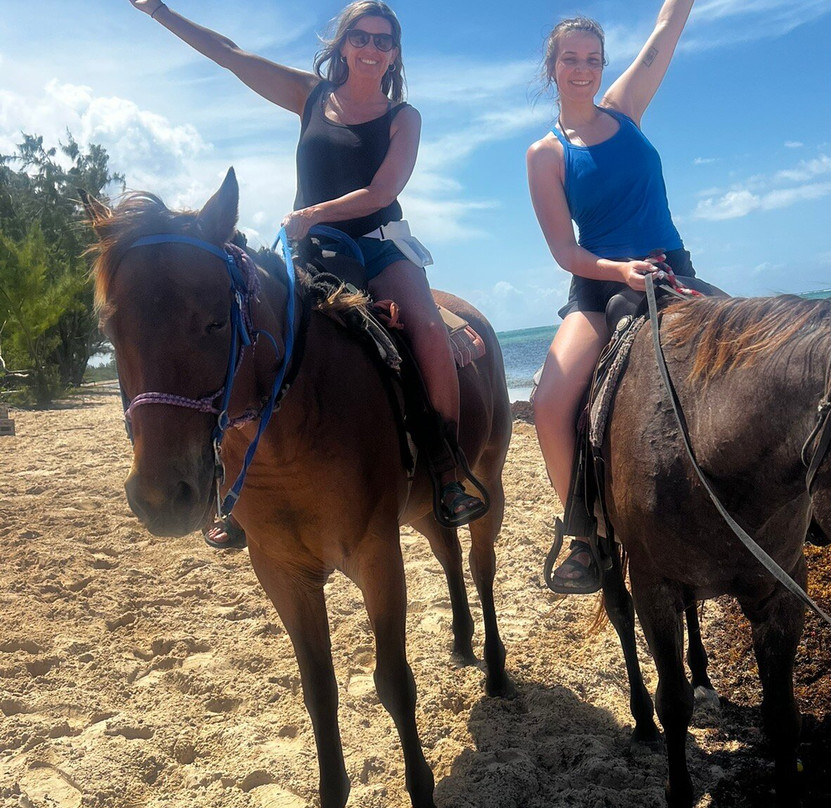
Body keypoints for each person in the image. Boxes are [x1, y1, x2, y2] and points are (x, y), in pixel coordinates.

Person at [129, 0, 487, 539]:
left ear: (394, 54)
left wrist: (314, 212)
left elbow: (383, 191)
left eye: (383, 40)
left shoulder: (402, 117)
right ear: (342, 44)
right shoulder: (310, 96)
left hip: (380, 246)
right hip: (313, 249)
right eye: (360, 37)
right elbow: (230, 55)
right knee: (250, 333)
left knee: (430, 331)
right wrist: (159, 10)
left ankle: (446, 466)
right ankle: (237, 481)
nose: (371, 48)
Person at [526, 0, 697, 592]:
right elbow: (564, 250)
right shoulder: (546, 154)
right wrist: (620, 271)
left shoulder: (625, 109)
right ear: (552, 66)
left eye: (593, 59)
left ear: (603, 65)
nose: (582, 68)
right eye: (570, 58)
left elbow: (667, 27)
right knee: (548, 403)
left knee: (764, 348)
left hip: (671, 270)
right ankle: (584, 535)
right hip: (600, 285)